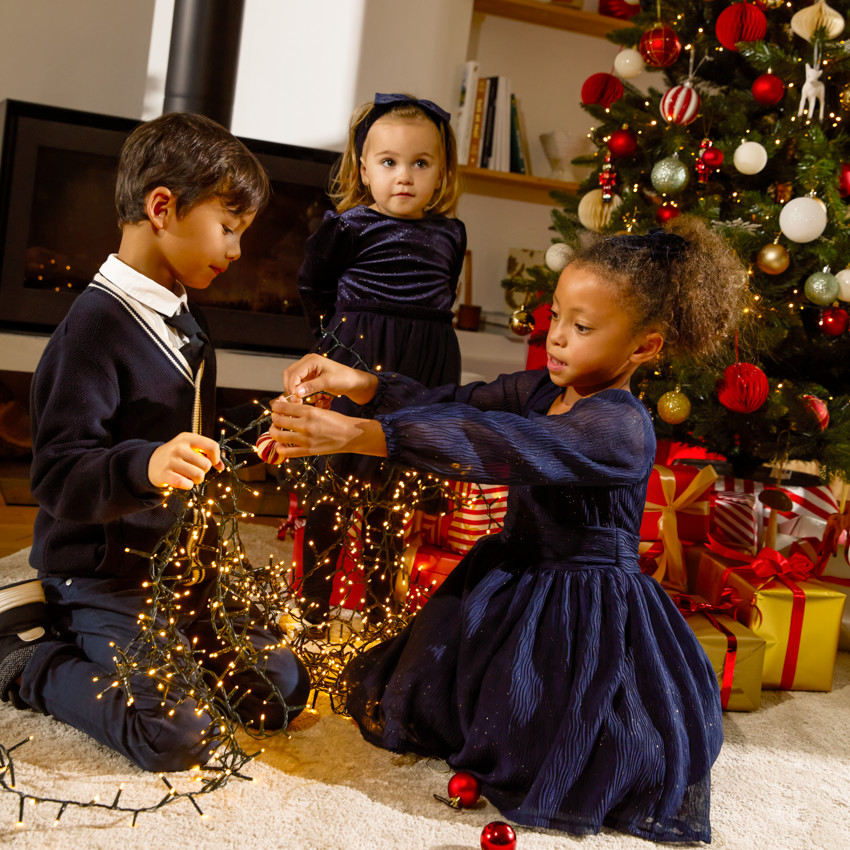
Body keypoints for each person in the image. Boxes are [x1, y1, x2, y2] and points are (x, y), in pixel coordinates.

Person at [266, 217, 748, 843]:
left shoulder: (621, 428)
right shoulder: (543, 388)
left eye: (583, 328)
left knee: (557, 742)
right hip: (516, 575)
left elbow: (506, 445)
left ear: (644, 348)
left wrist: (367, 435)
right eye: (556, 319)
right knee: (430, 696)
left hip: (584, 606)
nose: (558, 340)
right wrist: (358, 383)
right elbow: (460, 407)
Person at [0, 112, 309, 773]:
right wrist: (146, 465)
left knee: (281, 692)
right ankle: (30, 658)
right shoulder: (89, 333)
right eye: (227, 229)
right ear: (162, 207)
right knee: (176, 737)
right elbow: (57, 476)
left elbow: (183, 434)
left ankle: (173, 648)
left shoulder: (185, 319)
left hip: (182, 570)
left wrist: (261, 436)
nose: (236, 252)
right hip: (104, 573)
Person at [293, 92, 466, 628]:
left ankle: (381, 609)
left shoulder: (451, 234)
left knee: (395, 494)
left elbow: (441, 298)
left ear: (441, 172)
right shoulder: (348, 227)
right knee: (334, 484)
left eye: (421, 163)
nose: (404, 176)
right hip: (356, 353)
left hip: (423, 367)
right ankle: (313, 607)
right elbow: (312, 286)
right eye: (389, 163)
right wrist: (336, 343)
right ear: (363, 168)